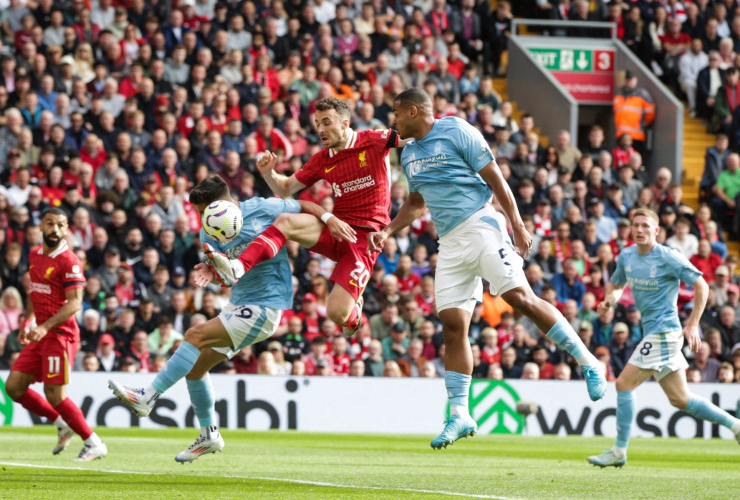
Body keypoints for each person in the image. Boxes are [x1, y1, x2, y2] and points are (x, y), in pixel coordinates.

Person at [367, 88, 606, 450]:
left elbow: (495, 177)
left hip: (481, 225)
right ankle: (460, 414)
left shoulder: (456, 130)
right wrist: (387, 230)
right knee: (452, 325)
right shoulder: (409, 152)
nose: (393, 120)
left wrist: (517, 224)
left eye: (397, 113)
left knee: (520, 298)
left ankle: (588, 362)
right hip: (449, 242)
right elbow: (416, 202)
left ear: (413, 111)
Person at [107, 175, 336, 462]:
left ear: (220, 205)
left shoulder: (262, 208)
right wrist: (211, 272)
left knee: (193, 335)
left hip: (265, 305)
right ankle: (209, 435)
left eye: (202, 211)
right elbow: (225, 275)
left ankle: (148, 396)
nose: (200, 218)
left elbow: (303, 205)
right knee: (195, 369)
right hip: (238, 304)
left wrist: (328, 218)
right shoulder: (209, 232)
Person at [204, 98, 399, 336]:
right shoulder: (322, 158)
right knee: (285, 220)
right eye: (317, 123)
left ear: (345, 123)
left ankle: (353, 312)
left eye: (326, 122)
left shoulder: (374, 140)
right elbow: (286, 188)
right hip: (336, 227)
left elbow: (415, 134)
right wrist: (269, 174)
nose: (321, 129)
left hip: (366, 238)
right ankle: (237, 267)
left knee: (337, 314)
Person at [587, 208, 740, 468]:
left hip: (665, 332)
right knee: (680, 398)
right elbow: (617, 285)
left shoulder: (668, 256)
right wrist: (610, 300)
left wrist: (693, 324)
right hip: (655, 333)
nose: (640, 230)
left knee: (623, 384)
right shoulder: (626, 256)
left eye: (645, 225)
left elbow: (702, 285)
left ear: (657, 231)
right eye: (636, 225)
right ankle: (738, 426)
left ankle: (619, 450)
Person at [3, 208, 107, 460]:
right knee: (14, 387)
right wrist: (27, 321)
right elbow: (35, 291)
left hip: (60, 335)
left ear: (66, 228)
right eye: (50, 224)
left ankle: (93, 442)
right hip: (41, 333)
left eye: (60, 225)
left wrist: (43, 327)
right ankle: (61, 423)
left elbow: (75, 303)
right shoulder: (34, 254)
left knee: (55, 393)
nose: (55, 230)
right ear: (41, 226)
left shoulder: (69, 261)